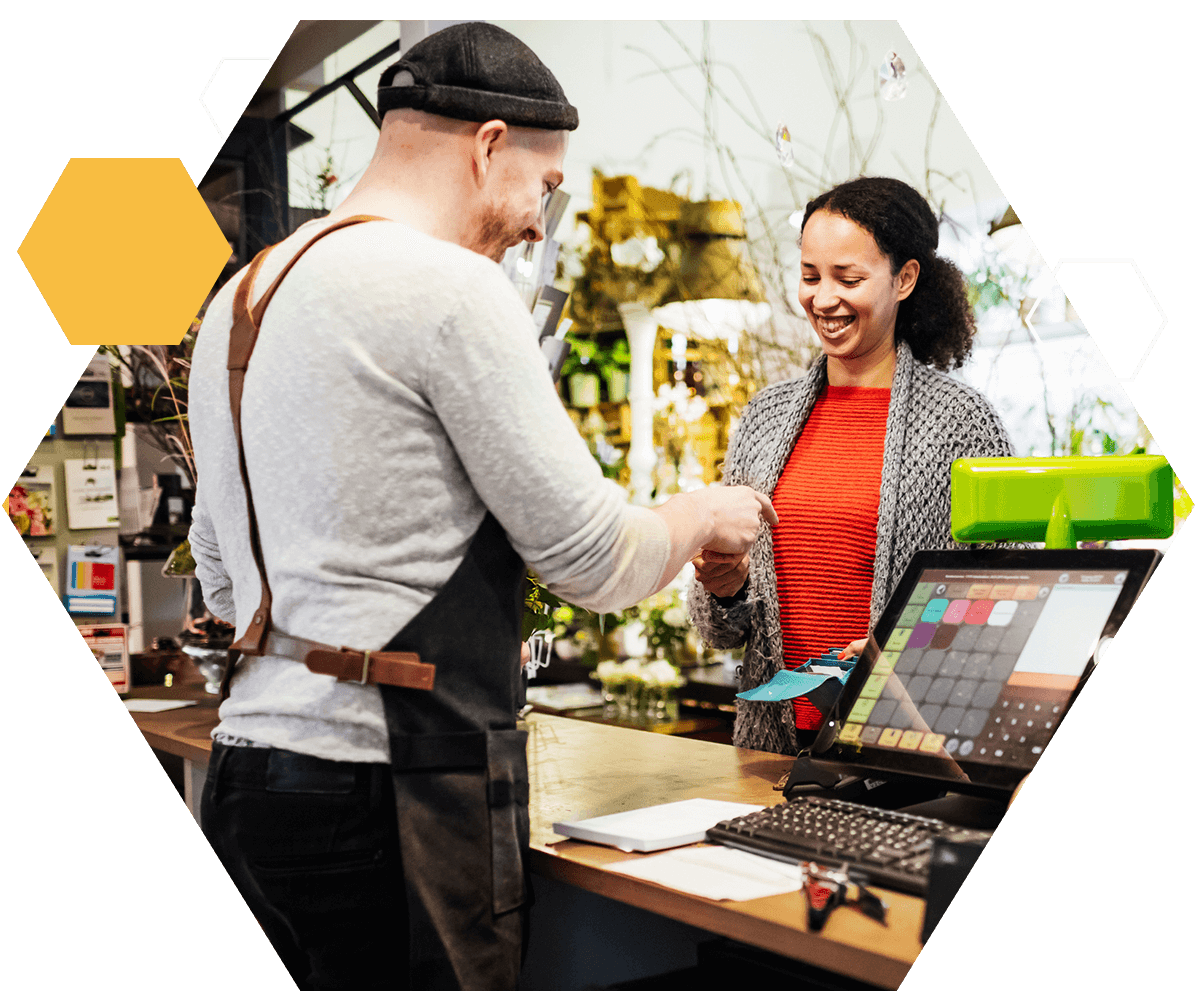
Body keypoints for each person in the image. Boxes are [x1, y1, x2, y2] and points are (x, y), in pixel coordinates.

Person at [188, 22, 775, 992]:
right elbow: (593, 560)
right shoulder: (447, 286)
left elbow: (217, 564)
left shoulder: (243, 297)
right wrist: (703, 514)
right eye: (545, 186)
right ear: (489, 143)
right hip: (391, 794)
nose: (542, 221)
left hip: (252, 775)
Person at [689, 176, 1016, 757]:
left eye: (849, 278)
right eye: (810, 276)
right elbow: (721, 631)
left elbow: (1007, 602)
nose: (822, 298)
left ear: (905, 279)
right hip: (773, 752)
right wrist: (727, 586)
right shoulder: (765, 419)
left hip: (911, 754)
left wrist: (903, 650)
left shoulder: (960, 423)